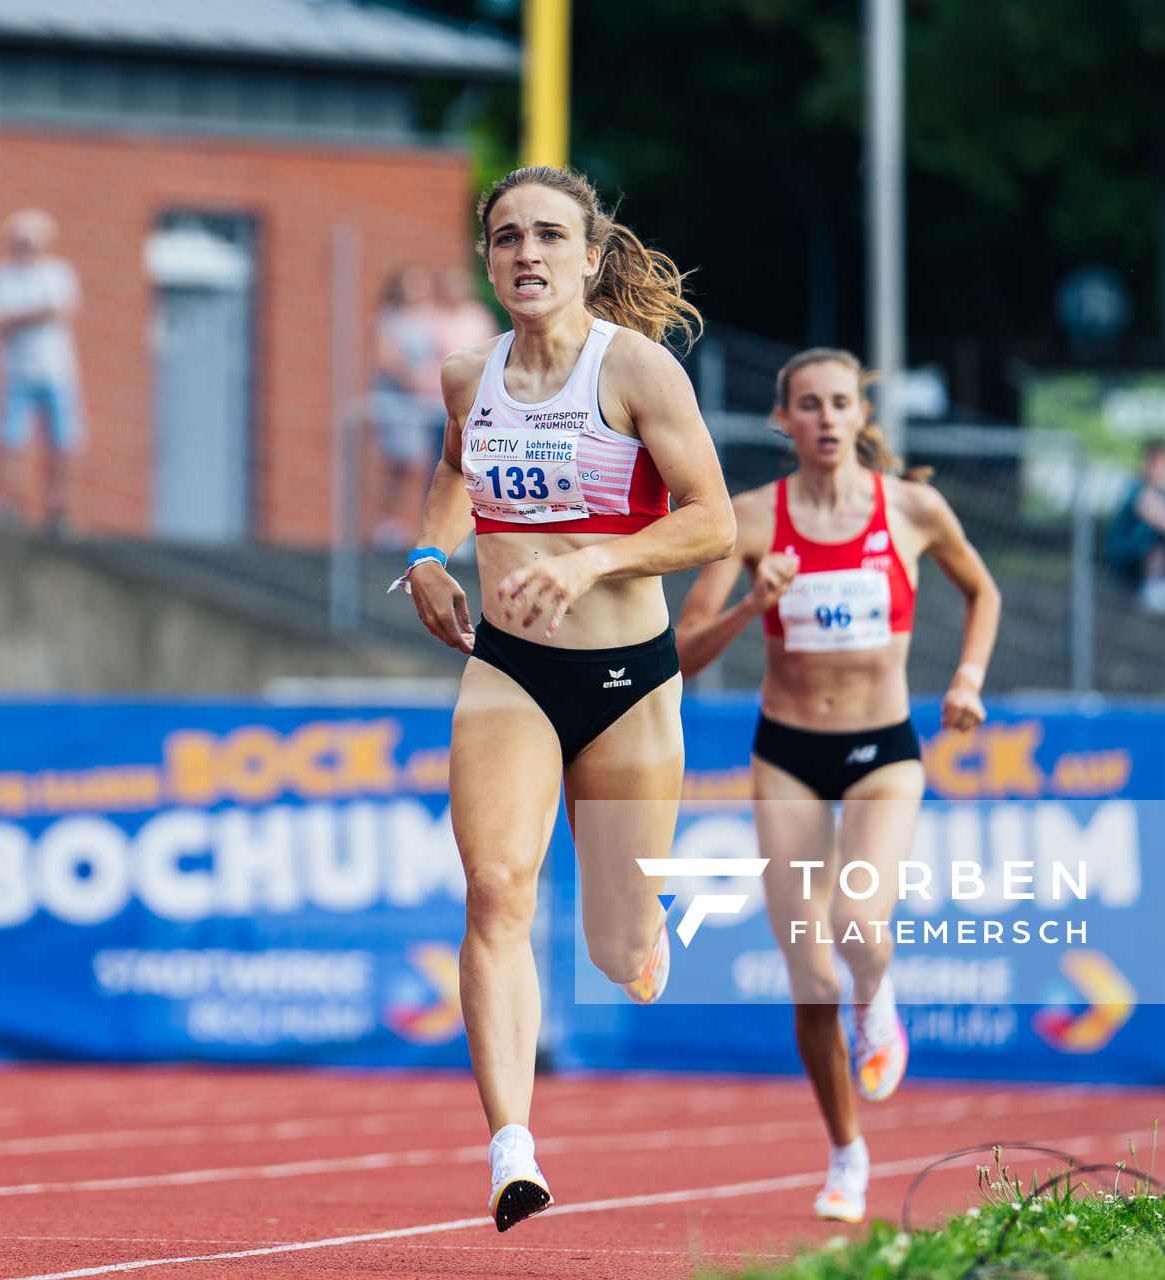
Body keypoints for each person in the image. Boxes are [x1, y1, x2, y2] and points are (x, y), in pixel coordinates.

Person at [394, 165, 734, 1231]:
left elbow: (712, 518)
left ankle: (644, 931)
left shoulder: (634, 371)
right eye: (506, 238)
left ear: (590, 256)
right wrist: (428, 553)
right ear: (488, 261)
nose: (527, 254)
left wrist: (590, 562)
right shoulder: (467, 374)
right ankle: (512, 1148)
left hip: (627, 681)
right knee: (497, 888)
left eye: (549, 236)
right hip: (508, 666)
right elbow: (457, 468)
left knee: (613, 947)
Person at [674, 348, 1000, 1224]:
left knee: (859, 924)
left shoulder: (912, 508)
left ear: (862, 417)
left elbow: (984, 591)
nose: (824, 418)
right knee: (808, 973)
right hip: (787, 753)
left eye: (840, 404)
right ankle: (847, 1154)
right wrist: (752, 603)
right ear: (783, 420)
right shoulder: (747, 520)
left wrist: (966, 678)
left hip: (883, 751)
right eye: (808, 405)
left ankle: (879, 996)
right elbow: (682, 647)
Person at [0, 209, 82, 531]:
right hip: (17, 372)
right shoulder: (0, 277)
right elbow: (0, 321)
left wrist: (23, 316)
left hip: (55, 371)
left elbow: (64, 311)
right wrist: (40, 312)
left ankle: (58, 512)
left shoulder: (58, 273)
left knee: (61, 443)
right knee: (11, 440)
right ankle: (12, 506)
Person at [370, 265, 446, 549]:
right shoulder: (389, 320)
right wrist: (414, 380)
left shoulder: (430, 319)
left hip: (428, 404)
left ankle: (428, 528)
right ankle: (387, 523)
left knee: (432, 466)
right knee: (400, 462)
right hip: (399, 401)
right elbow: (386, 359)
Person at [1106, 437, 1165, 613]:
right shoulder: (1136, 489)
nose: (1158, 469)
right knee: (1159, 537)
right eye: (1155, 463)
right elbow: (1154, 516)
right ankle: (1154, 586)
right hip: (1130, 554)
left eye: (1164, 463)